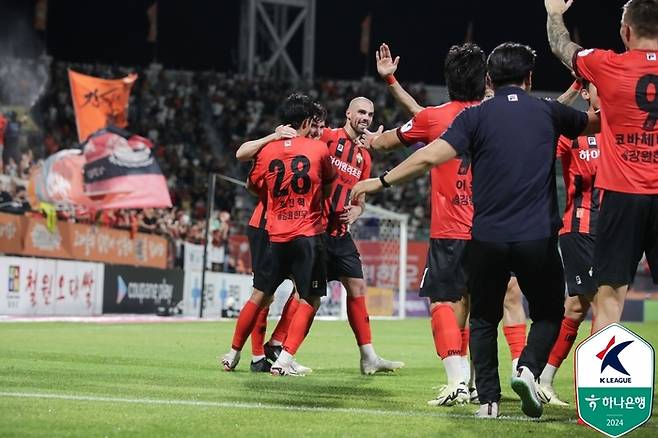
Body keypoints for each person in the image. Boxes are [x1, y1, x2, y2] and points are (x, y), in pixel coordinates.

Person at [352, 42, 600, 418]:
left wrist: (379, 178)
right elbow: (588, 119)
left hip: (479, 235)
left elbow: (424, 148)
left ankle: (482, 397)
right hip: (535, 236)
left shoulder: (465, 118)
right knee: (540, 310)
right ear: (529, 78)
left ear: (491, 79)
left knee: (475, 315)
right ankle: (527, 369)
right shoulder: (547, 113)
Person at [371, 42, 527, 405]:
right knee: (497, 304)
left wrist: (372, 138)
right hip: (494, 231)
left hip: (451, 232)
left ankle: (458, 382)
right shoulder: (498, 116)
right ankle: (519, 372)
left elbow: (393, 139)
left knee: (445, 303)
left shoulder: (436, 118)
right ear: (485, 79)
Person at [236, 97, 405, 375]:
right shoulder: (326, 136)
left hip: (340, 232)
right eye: (361, 112)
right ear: (348, 113)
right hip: (313, 228)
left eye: (370, 114)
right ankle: (269, 350)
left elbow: (359, 197)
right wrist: (280, 134)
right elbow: (297, 141)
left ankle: (368, 356)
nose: (365, 117)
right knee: (299, 293)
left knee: (355, 287)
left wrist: (356, 212)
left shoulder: (364, 156)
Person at [545, 0, 658, 332]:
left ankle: (602, 385)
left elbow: (560, 46)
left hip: (622, 195)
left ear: (626, 31)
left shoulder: (606, 64)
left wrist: (554, 13)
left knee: (609, 297)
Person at [222, 93, 334, 376]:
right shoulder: (316, 150)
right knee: (307, 296)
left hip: (274, 229)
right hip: (296, 230)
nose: (318, 130)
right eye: (316, 124)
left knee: (263, 294)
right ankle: (274, 357)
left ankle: (242, 352)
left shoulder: (268, 151)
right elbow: (328, 184)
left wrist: (274, 195)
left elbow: (251, 182)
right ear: (307, 122)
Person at [536, 79, 602, 405]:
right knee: (603, 305)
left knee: (576, 308)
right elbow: (539, 145)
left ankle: (543, 378)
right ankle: (593, 389)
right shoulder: (574, 131)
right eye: (600, 86)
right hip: (580, 228)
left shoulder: (622, 131)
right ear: (587, 93)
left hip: (613, 233)